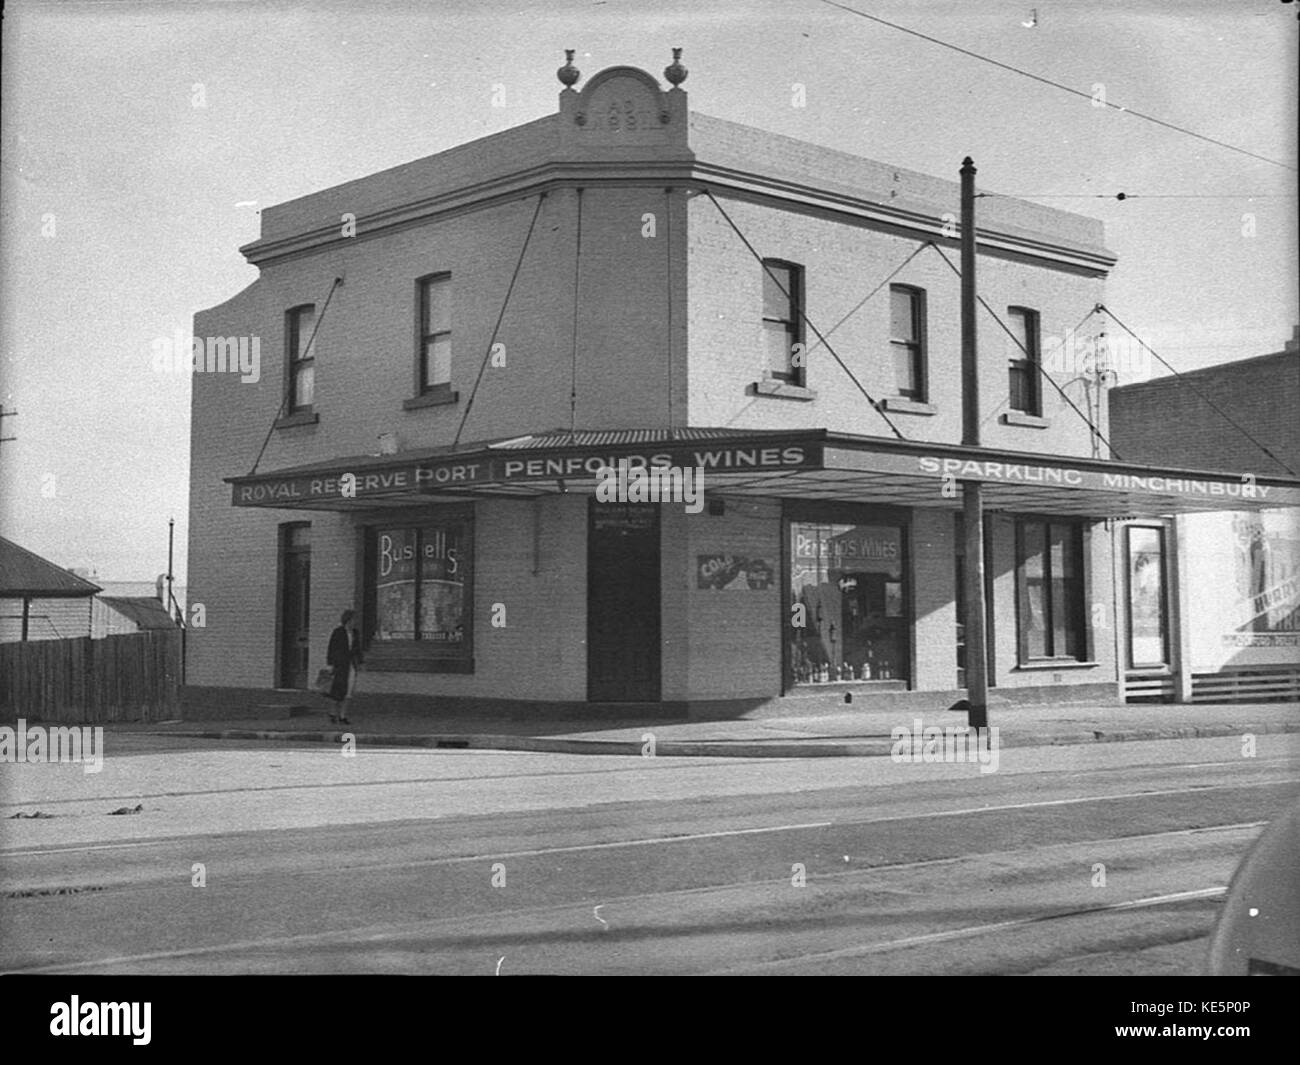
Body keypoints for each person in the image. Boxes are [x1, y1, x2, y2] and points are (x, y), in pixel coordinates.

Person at [325, 609, 363, 724]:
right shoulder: (338, 632)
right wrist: (330, 664)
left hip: (350, 664)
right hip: (339, 665)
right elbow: (331, 648)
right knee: (337, 690)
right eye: (353, 620)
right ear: (348, 620)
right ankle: (332, 713)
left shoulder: (355, 633)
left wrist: (360, 662)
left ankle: (343, 715)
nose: (355, 622)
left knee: (349, 690)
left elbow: (357, 648)